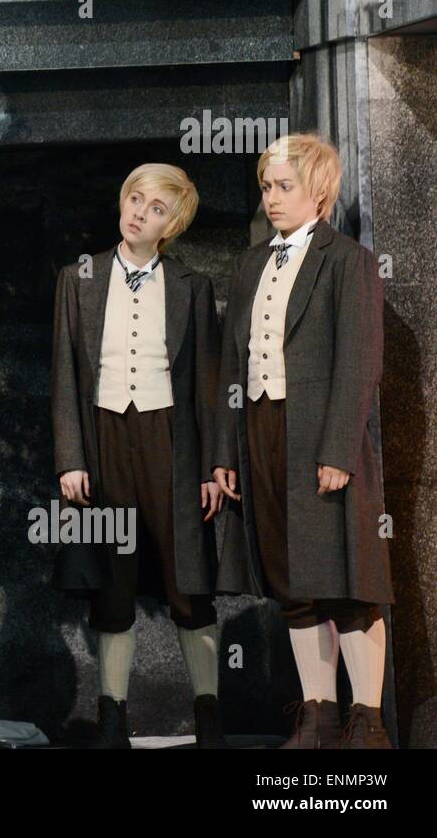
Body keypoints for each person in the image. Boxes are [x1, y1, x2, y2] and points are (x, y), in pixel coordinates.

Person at [213, 133, 393, 749]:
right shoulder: (249, 263)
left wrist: (339, 449)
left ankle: (366, 721)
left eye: (283, 186)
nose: (271, 198)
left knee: (346, 579)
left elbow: (360, 361)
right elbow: (228, 367)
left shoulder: (348, 260)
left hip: (322, 433)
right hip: (261, 430)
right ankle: (317, 714)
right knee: (292, 579)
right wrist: (222, 456)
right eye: (266, 186)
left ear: (318, 189)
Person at [51, 164, 225, 748]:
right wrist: (71, 458)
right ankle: (111, 718)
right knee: (112, 579)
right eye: (134, 199)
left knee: (188, 579)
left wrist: (207, 468)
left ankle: (208, 716)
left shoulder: (191, 286)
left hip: (170, 439)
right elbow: (66, 377)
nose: (138, 213)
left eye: (154, 208)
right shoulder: (78, 278)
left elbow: (207, 385)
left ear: (170, 225)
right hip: (104, 438)